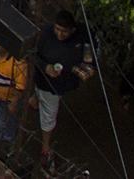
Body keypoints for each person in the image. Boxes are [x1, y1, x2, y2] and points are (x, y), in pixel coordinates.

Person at [31, 10, 96, 162]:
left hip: (66, 81)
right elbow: (33, 54)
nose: (60, 34)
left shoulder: (82, 35)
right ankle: (45, 147)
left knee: (44, 99)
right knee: (49, 116)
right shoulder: (46, 33)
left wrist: (85, 67)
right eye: (57, 29)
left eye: (64, 31)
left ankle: (35, 98)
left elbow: (88, 57)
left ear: (72, 30)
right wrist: (46, 67)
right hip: (46, 83)